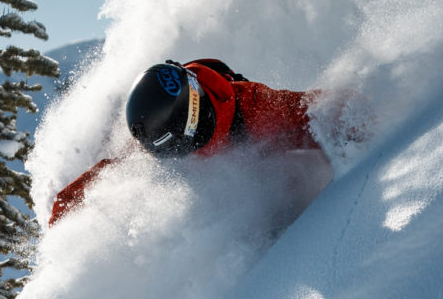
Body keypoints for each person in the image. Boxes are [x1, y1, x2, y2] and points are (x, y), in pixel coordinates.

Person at [49, 58, 347, 226]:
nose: (165, 158)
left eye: (169, 150)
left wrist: (356, 128)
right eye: (158, 151)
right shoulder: (164, 137)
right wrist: (63, 228)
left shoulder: (254, 108)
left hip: (284, 195)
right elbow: (108, 177)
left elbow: (319, 110)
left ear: (188, 127)